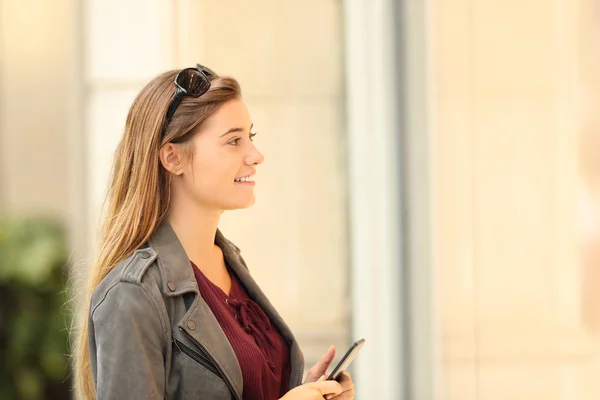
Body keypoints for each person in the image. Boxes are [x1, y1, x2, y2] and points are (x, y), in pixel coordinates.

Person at [71, 64, 355, 400]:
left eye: (250, 137)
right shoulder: (132, 295)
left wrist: (304, 391)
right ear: (172, 157)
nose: (256, 155)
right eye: (233, 141)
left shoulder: (229, 262)